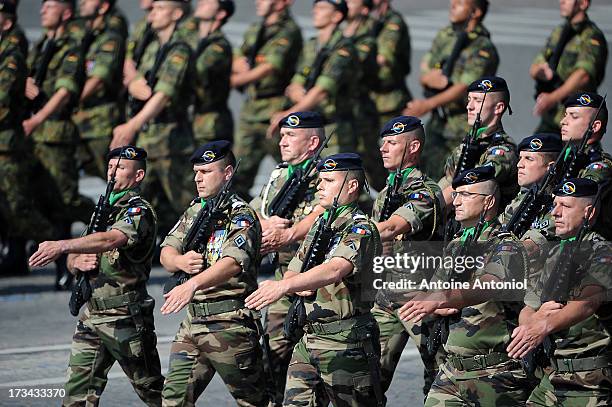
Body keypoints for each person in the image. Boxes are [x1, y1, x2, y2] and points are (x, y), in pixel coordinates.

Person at [29, 146, 165, 407]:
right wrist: (75, 261)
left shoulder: (138, 211)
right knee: (76, 395)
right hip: (92, 315)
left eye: (121, 168)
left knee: (154, 393)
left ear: (138, 176)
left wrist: (61, 246)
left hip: (125, 315)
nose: (112, 173)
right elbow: (79, 252)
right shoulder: (103, 209)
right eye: (110, 167)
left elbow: (110, 239)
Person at [246, 152, 383, 406]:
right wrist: (295, 283)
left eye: (329, 180)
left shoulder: (360, 228)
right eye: (320, 180)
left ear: (351, 185)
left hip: (346, 342)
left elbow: (335, 269)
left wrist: (288, 286)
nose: (320, 186)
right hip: (309, 341)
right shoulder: (320, 225)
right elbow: (293, 269)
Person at [399, 165, 533, 406]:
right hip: (453, 370)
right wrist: (433, 300)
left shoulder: (505, 246)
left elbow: (488, 285)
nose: (457, 201)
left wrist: (445, 298)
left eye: (467, 195)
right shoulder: (457, 245)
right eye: (456, 194)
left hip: (494, 373)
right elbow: (436, 294)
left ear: (488, 202)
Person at [159, 141, 269, 406]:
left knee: (254, 401)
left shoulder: (241, 215)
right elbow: (166, 250)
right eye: (196, 172)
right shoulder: (195, 210)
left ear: (228, 173)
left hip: (229, 323)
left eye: (206, 172)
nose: (198, 178)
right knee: (173, 400)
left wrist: (192, 284)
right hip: (193, 323)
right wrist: (180, 261)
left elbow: (233, 262)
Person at [507, 178, 612, 406]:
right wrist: (531, 322)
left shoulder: (602, 251)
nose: (555, 212)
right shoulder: (555, 253)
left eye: (565, 206)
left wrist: (543, 326)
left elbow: (588, 301)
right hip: (552, 376)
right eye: (555, 204)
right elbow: (529, 306)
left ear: (589, 212)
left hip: (590, 380)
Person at [250, 111, 326, 405]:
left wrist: (291, 233)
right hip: (284, 277)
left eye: (290, 136)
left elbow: (324, 211)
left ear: (313, 142)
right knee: (273, 353)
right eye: (282, 135)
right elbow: (254, 209)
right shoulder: (279, 175)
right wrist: (264, 224)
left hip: (320, 279)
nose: (282, 141)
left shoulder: (329, 175)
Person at [370, 116, 446, 398]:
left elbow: (390, 228)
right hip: (387, 296)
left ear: (413, 147)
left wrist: (350, 234)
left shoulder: (425, 192)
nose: (383, 148)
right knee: (369, 378)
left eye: (392, 142)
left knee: (441, 374)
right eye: (383, 142)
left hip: (421, 296)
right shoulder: (387, 193)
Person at [112, 0, 195, 235]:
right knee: (138, 201)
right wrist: (135, 84)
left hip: (171, 139)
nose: (152, 14)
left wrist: (132, 124)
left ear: (176, 14)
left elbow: (163, 94)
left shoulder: (180, 49)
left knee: (186, 203)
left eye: (160, 9)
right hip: (149, 136)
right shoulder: (153, 47)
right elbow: (136, 78)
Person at [405, 0, 498, 180]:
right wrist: (429, 77)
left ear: (476, 12)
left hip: (461, 123)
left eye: (460, 2)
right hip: (439, 120)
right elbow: (425, 65)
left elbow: (464, 87)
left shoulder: (482, 46)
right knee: (425, 172)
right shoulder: (445, 35)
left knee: (455, 177)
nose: (453, 5)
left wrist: (427, 104)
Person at [0, 0, 60, 275]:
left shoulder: (11, 53)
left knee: (18, 208)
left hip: (7, 145)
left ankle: (63, 252)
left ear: (7, 22)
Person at [24, 0, 95, 226]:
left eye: (50, 6)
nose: (42, 10)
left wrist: (37, 119)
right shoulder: (42, 45)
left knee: (65, 198)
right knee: (38, 193)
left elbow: (65, 91)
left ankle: (105, 222)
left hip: (54, 130)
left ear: (66, 13)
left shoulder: (71, 48)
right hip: (34, 132)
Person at [232, 0, 303, 200]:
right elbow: (240, 53)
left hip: (274, 109)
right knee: (238, 174)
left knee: (293, 170)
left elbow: (270, 67)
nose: (258, 2)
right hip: (251, 111)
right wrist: (237, 63)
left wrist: (235, 79)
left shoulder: (288, 30)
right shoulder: (257, 27)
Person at [269, 0, 359, 157]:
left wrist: (288, 113)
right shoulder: (311, 45)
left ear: (337, 16)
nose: (315, 12)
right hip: (309, 126)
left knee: (333, 176)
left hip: (333, 130)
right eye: (315, 8)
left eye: (322, 8)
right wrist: (302, 95)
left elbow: (322, 90)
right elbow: (296, 81)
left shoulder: (344, 48)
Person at [439, 76, 518, 209]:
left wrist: (429, 208)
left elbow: (469, 185)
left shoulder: (503, 151)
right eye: (469, 100)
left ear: (498, 108)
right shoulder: (469, 143)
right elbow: (447, 181)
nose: (469, 106)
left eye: (478, 101)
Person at [531, 0, 608, 134]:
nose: (562, 2)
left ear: (583, 4)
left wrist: (552, 98)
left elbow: (583, 75)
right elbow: (535, 66)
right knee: (533, 151)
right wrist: (541, 72)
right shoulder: (559, 32)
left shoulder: (591, 36)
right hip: (551, 118)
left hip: (576, 121)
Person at [73, 0, 126, 179]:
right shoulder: (86, 34)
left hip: (99, 121)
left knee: (116, 178)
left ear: (103, 7)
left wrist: (70, 100)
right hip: (79, 119)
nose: (82, 3)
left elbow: (98, 77)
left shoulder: (111, 35)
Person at [343, 0, 385, 191]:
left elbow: (350, 65)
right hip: (344, 111)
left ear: (365, 10)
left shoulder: (367, 39)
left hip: (361, 112)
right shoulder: (340, 34)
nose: (347, 3)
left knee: (370, 161)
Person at [190, 0, 234, 145]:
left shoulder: (219, 46)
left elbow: (195, 70)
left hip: (211, 125)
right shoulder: (193, 39)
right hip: (190, 120)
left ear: (220, 14)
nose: (201, 2)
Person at [369, 0, 412, 128]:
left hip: (388, 101)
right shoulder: (370, 21)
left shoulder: (393, 22)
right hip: (368, 100)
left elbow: (383, 57)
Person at [559, 91, 611, 183]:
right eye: (565, 115)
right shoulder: (566, 157)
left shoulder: (599, 168)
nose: (563, 121)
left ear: (595, 126)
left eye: (574, 116)